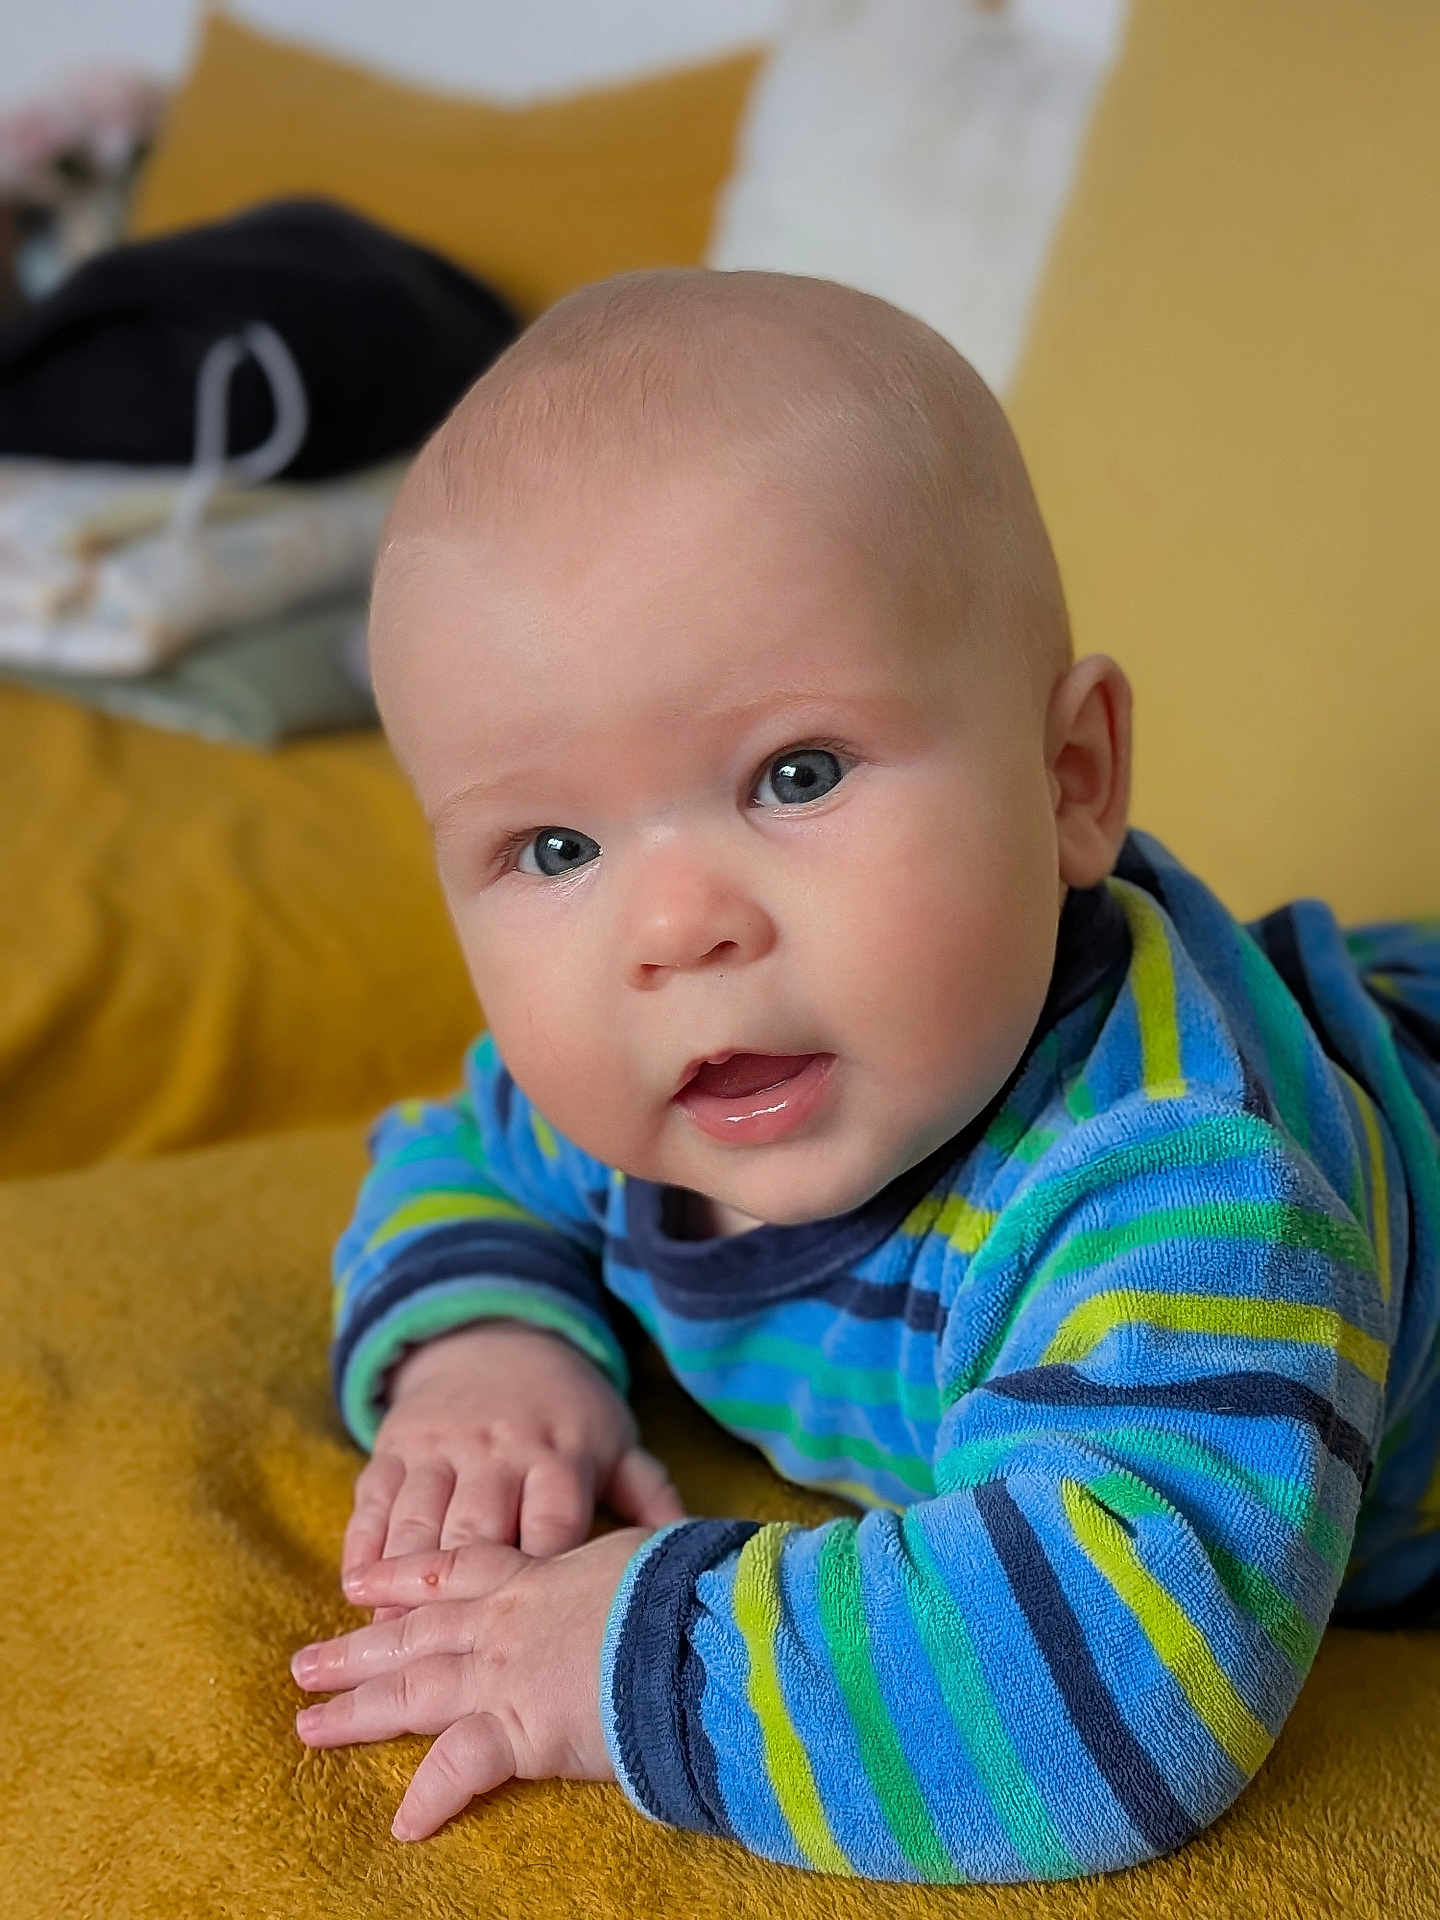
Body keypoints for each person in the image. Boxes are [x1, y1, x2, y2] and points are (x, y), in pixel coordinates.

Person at [287, 268, 1440, 1884]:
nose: (677, 928)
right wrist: (484, 1348)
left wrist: (624, 1653)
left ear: (1071, 782)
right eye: (554, 845)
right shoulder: (649, 1095)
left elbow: (1114, 1691)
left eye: (797, 773)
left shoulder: (1183, 1186)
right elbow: (463, 1154)